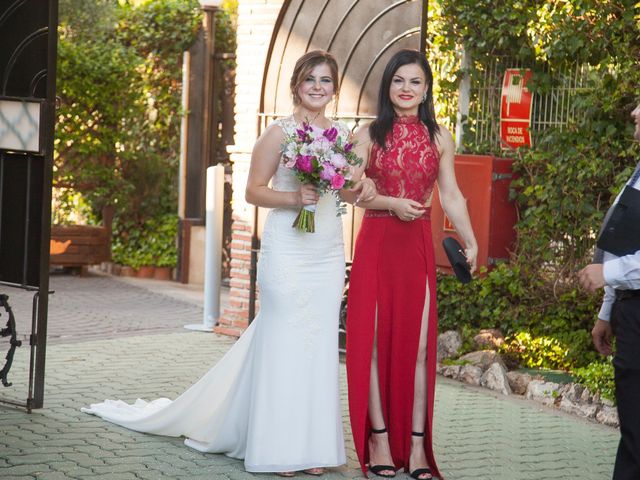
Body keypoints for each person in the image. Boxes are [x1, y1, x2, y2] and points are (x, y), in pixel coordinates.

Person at [82, 50, 375, 477]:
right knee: (283, 340)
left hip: (326, 253)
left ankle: (312, 447)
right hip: (289, 251)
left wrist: (360, 186)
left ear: (333, 87)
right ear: (296, 85)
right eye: (310, 79)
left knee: (317, 347)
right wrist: (295, 198)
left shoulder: (342, 138)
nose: (318, 86)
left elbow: (344, 192)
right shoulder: (278, 133)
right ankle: (279, 446)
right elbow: (253, 192)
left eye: (326, 80)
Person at [345, 49, 478, 480]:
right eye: (398, 80)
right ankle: (379, 437)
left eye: (415, 81)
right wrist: (386, 201)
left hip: (416, 242)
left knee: (419, 347)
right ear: (388, 85)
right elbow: (349, 190)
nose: (406, 88)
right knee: (375, 341)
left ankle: (419, 447)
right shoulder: (367, 135)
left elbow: (452, 196)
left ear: (426, 89)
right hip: (378, 239)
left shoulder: (440, 137)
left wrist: (471, 241)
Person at [578, 102, 640, 480]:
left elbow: (615, 262)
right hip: (630, 317)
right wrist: (607, 312)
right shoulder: (637, 174)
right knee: (633, 431)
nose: (634, 110)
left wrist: (608, 273)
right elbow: (622, 242)